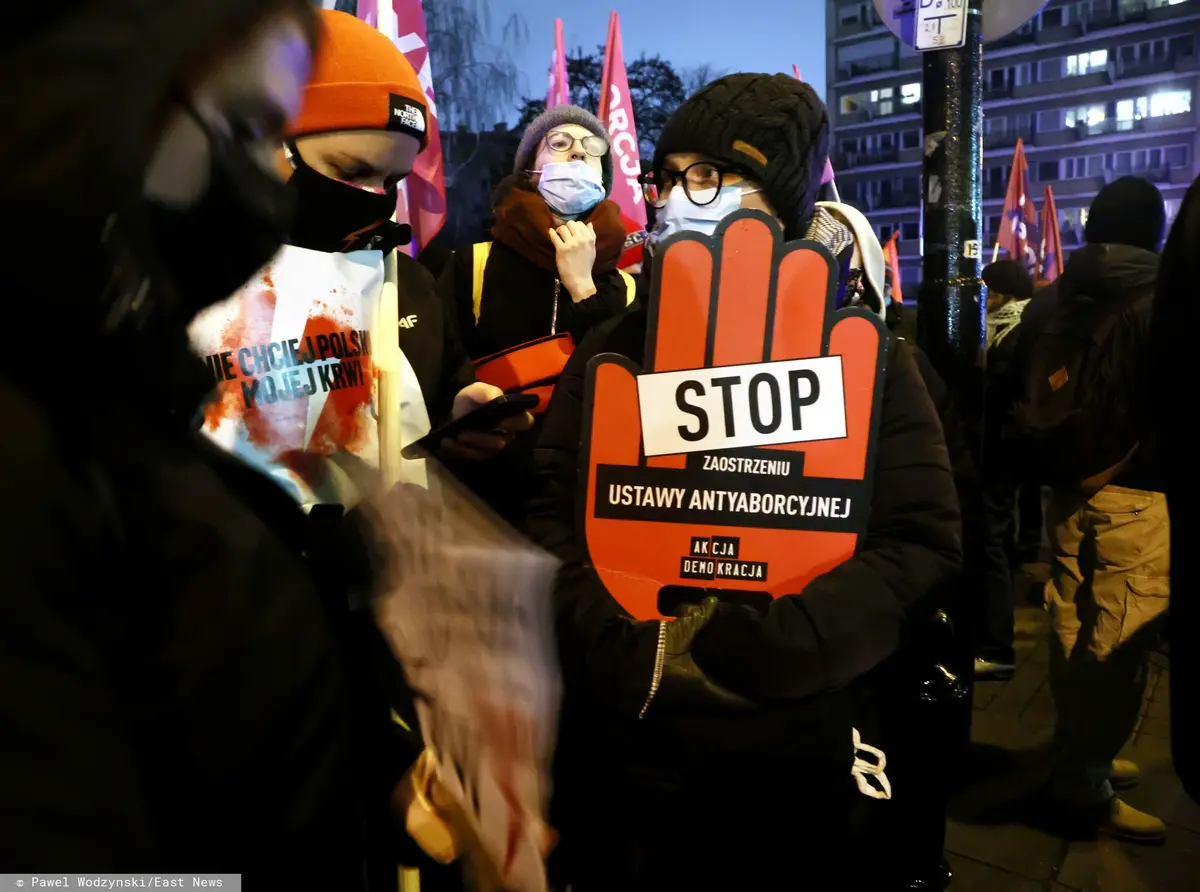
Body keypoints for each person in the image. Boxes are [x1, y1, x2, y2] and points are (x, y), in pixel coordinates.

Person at [0, 0, 406, 883]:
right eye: (242, 126)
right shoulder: (35, 455)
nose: (266, 178)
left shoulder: (110, 405)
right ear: (104, 97)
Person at [525, 73, 962, 888]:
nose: (678, 200)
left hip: (801, 740)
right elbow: (550, 518)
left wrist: (779, 646)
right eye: (669, 177)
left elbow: (919, 539)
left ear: (782, 200)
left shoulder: (870, 358)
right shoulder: (616, 349)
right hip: (634, 741)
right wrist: (625, 648)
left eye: (710, 175)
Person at [275, 9, 530, 469]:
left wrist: (459, 414)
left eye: (394, 179)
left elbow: (443, 389)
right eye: (352, 171)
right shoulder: (178, 286)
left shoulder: (406, 283)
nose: (377, 199)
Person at [1014, 177, 1168, 840]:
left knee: (1072, 621)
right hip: (1139, 488)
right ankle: (1084, 782)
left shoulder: (1051, 300)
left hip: (1064, 485)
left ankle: (1079, 756)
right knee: (1122, 638)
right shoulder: (1170, 299)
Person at [435, 105, 636, 521]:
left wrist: (583, 287)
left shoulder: (629, 285)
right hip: (486, 497)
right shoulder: (472, 265)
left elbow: (627, 389)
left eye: (591, 148)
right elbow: (435, 373)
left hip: (590, 500)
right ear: (531, 170)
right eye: (559, 144)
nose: (578, 153)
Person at [975, 259, 1035, 680]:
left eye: (988, 291)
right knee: (999, 537)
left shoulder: (1014, 332)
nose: (983, 298)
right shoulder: (1019, 326)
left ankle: (997, 647)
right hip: (1007, 449)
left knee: (990, 541)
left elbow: (998, 391)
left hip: (1000, 450)